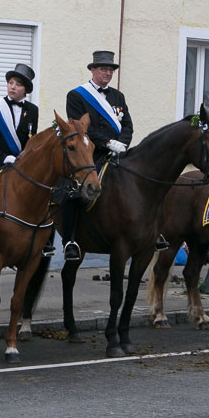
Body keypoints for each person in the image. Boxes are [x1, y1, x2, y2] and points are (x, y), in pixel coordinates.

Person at [58, 50, 134, 261]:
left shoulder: (118, 96)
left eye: (110, 69)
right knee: (73, 192)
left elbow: (127, 124)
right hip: (91, 154)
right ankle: (71, 240)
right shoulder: (76, 95)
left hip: (119, 153)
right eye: (103, 69)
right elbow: (78, 126)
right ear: (92, 70)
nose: (107, 73)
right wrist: (108, 143)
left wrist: (123, 143)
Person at [0, 62, 39, 177]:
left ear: (26, 90)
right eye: (10, 83)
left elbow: (31, 138)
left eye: (18, 84)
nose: (13, 87)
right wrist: (3, 157)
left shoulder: (33, 110)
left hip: (20, 166)